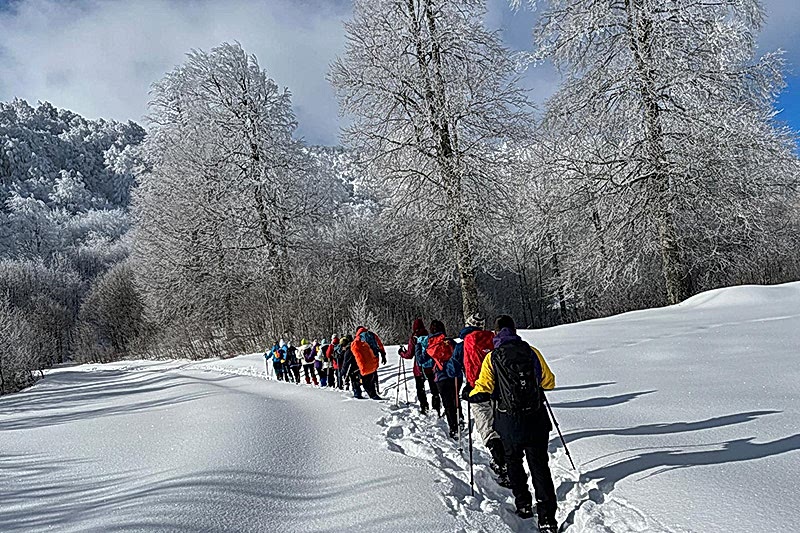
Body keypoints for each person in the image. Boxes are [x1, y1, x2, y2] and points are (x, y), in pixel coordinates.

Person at [469, 315, 558, 532]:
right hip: (536, 419)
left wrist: (470, 394)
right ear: (514, 330)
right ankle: (547, 518)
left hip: (508, 422)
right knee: (540, 466)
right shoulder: (531, 351)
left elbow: (484, 389)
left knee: (514, 463)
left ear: (496, 333)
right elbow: (549, 382)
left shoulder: (492, 358)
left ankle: (524, 504)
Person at [458, 313, 509, 487]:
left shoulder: (465, 342)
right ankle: (507, 460)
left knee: (486, 426)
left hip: (477, 389)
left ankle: (501, 464)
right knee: (498, 423)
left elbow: (455, 364)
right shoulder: (492, 338)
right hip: (497, 388)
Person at [426, 320, 462, 439]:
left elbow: (424, 361)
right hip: (455, 374)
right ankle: (460, 418)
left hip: (440, 376)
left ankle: (453, 428)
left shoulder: (430, 344)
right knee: (455, 397)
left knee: (447, 403)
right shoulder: (450, 342)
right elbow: (459, 355)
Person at [398, 318, 441, 416]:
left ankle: (424, 407)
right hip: (432, 368)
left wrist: (401, 353)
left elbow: (409, 355)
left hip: (419, 369)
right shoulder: (430, 336)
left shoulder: (414, 338)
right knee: (434, 390)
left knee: (420, 389)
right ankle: (436, 408)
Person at [351, 326, 386, 400]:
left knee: (363, 379)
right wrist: (383, 354)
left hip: (365, 361)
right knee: (373, 375)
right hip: (374, 358)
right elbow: (379, 344)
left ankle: (370, 394)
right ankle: (376, 388)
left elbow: (357, 353)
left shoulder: (358, 338)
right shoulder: (372, 334)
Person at [339, 334, 364, 399]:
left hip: (354, 368)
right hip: (359, 366)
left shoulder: (348, 350)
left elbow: (346, 364)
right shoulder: (354, 346)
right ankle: (358, 394)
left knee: (355, 382)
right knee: (357, 381)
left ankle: (357, 395)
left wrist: (342, 373)